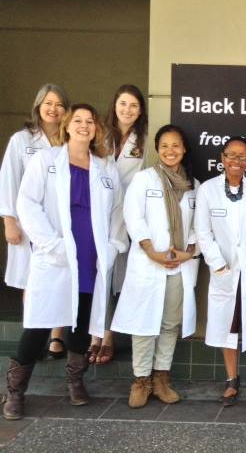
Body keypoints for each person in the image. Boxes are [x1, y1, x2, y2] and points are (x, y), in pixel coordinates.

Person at [3, 104, 127, 420]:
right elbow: (27, 203)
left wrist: (111, 248)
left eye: (90, 121)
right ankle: (15, 393)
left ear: (97, 129)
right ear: (67, 125)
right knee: (38, 323)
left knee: (81, 320)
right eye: (78, 121)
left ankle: (75, 382)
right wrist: (51, 244)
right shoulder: (46, 161)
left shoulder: (106, 167)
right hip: (55, 254)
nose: (84, 126)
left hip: (91, 256)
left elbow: (117, 215)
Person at [111, 124, 199, 409]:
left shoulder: (194, 186)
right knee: (144, 324)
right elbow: (133, 217)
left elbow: (199, 226)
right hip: (149, 264)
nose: (170, 151)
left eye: (176, 146)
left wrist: (188, 253)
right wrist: (151, 250)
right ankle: (141, 380)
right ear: (157, 150)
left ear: (184, 149)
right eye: (164, 146)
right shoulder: (144, 180)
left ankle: (162, 379)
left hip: (178, 266)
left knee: (169, 324)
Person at [194, 136, 246, 407]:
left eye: (242, 157)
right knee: (227, 325)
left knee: (245, 320)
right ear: (222, 158)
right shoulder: (208, 190)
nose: (236, 162)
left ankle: (238, 375)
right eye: (231, 156)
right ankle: (232, 379)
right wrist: (218, 264)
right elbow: (203, 233)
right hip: (225, 270)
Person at [0, 84, 70, 359]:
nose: (53, 109)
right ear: (38, 106)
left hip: (61, 224)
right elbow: (9, 181)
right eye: (48, 103)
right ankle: (33, 336)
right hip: (28, 226)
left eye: (59, 104)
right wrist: (9, 221)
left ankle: (56, 337)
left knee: (61, 280)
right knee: (33, 281)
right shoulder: (21, 140)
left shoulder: (68, 141)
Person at [88, 84, 148, 365]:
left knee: (117, 279)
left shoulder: (144, 141)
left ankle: (108, 336)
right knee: (98, 274)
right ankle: (93, 337)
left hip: (126, 216)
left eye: (134, 105)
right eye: (123, 104)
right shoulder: (99, 136)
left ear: (140, 111)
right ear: (114, 106)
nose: (127, 110)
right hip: (98, 213)